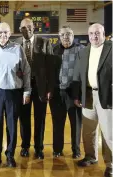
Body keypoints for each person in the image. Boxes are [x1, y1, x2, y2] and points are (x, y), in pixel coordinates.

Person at [0, 22, 31, 169]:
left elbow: (26, 71)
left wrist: (27, 91)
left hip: (13, 93)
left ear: (10, 34)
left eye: (6, 32)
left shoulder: (18, 49)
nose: (3, 35)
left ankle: (10, 156)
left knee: (11, 127)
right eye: (0, 32)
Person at [73, 23, 112, 177]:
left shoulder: (111, 48)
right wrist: (77, 95)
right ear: (88, 35)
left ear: (104, 34)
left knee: (108, 133)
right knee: (89, 131)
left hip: (107, 96)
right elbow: (77, 75)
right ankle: (91, 156)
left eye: (97, 33)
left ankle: (110, 165)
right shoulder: (84, 51)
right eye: (91, 33)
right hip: (88, 95)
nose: (94, 36)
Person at [14, 18, 53, 159]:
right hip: (23, 87)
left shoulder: (45, 43)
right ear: (20, 29)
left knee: (40, 119)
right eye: (24, 27)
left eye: (30, 27)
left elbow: (50, 69)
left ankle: (39, 148)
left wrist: (49, 89)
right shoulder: (15, 44)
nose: (27, 29)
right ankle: (25, 147)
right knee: (23, 118)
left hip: (40, 88)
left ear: (34, 28)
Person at [49, 26, 84, 158]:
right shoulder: (54, 50)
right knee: (57, 123)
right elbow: (50, 73)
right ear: (59, 36)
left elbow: (82, 73)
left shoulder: (80, 50)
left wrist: (79, 94)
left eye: (68, 34)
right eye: (63, 34)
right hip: (57, 93)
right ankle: (57, 149)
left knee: (75, 124)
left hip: (73, 94)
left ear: (73, 36)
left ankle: (76, 150)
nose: (65, 37)